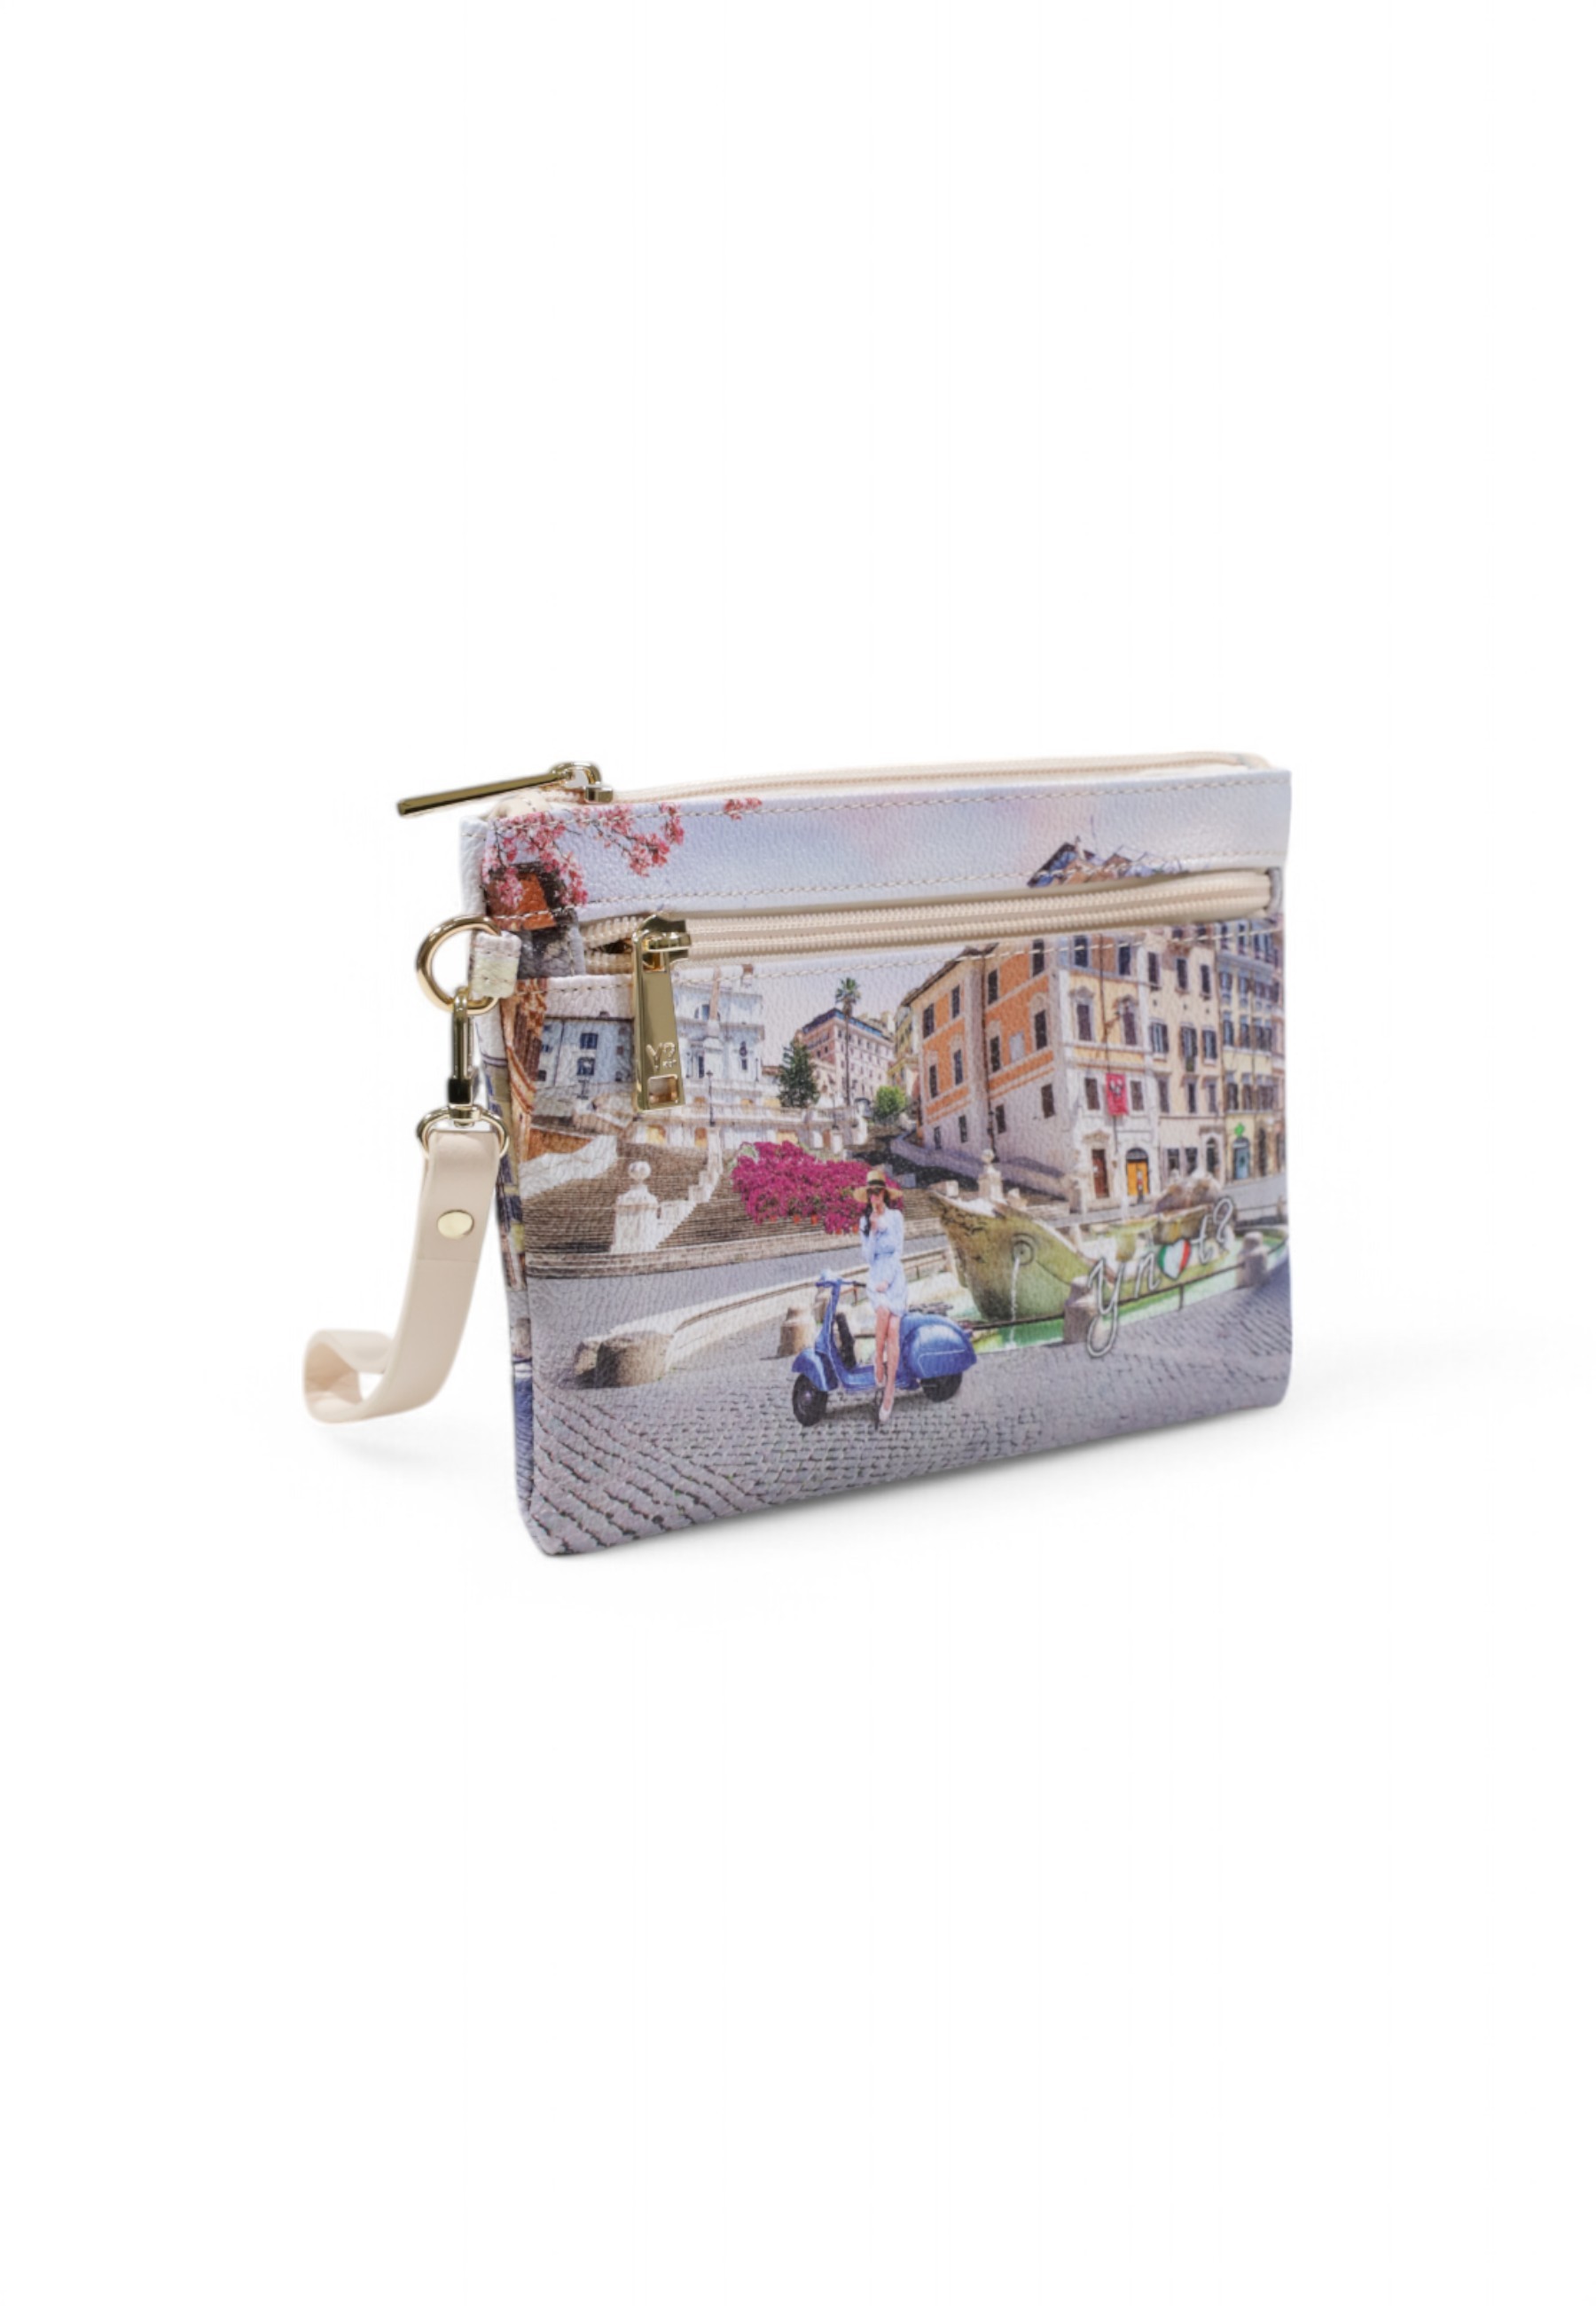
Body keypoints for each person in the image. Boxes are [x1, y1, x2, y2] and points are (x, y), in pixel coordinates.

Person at [855, 1167, 907, 1424]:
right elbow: (868, 1257)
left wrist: (889, 1279)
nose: (874, 1197)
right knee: (883, 1311)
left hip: (894, 1277)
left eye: (877, 1192)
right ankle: (878, 1358)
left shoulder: (896, 1217)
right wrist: (874, 1232)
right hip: (876, 1275)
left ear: (885, 1194)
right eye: (871, 1193)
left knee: (894, 1330)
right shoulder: (865, 1222)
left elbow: (898, 1251)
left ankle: (890, 1392)